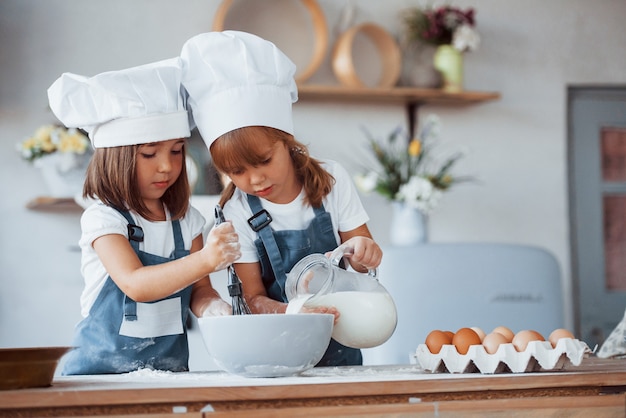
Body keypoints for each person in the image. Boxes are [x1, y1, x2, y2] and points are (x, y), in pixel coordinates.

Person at [180, 31, 383, 366]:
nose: (254, 179)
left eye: (263, 161)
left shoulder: (332, 181)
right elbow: (254, 298)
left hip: (341, 346)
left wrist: (366, 253)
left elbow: (361, 266)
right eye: (236, 171)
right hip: (275, 355)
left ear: (286, 140)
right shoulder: (236, 212)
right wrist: (301, 312)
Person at [47, 58, 241, 375]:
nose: (166, 166)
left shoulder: (185, 219)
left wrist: (212, 307)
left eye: (177, 150)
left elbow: (199, 289)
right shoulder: (104, 219)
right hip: (99, 378)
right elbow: (136, 285)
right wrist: (207, 258)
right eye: (150, 153)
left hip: (169, 375)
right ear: (116, 156)